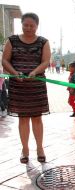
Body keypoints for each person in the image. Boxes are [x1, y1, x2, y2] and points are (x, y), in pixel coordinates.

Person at [2, 13, 51, 163]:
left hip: (36, 86)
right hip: (19, 86)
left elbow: (46, 61)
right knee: (23, 119)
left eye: (32, 25)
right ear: (21, 24)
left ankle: (40, 148)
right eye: (26, 25)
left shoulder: (43, 42)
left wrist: (35, 71)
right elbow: (4, 60)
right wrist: (14, 73)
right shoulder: (12, 40)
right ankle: (25, 149)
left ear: (37, 26)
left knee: (37, 118)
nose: (29, 28)